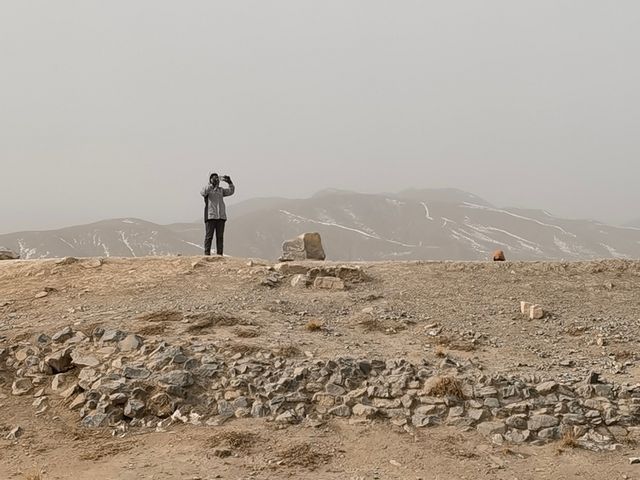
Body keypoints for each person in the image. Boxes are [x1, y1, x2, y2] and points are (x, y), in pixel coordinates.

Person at [200, 173, 235, 255]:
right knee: (209, 236)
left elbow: (231, 191)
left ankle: (220, 254)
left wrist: (230, 182)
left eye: (217, 178)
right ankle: (207, 254)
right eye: (214, 178)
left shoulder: (221, 190)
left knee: (220, 237)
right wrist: (212, 185)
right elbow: (202, 192)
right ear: (211, 180)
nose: (216, 180)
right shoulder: (208, 189)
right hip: (210, 216)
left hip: (221, 217)